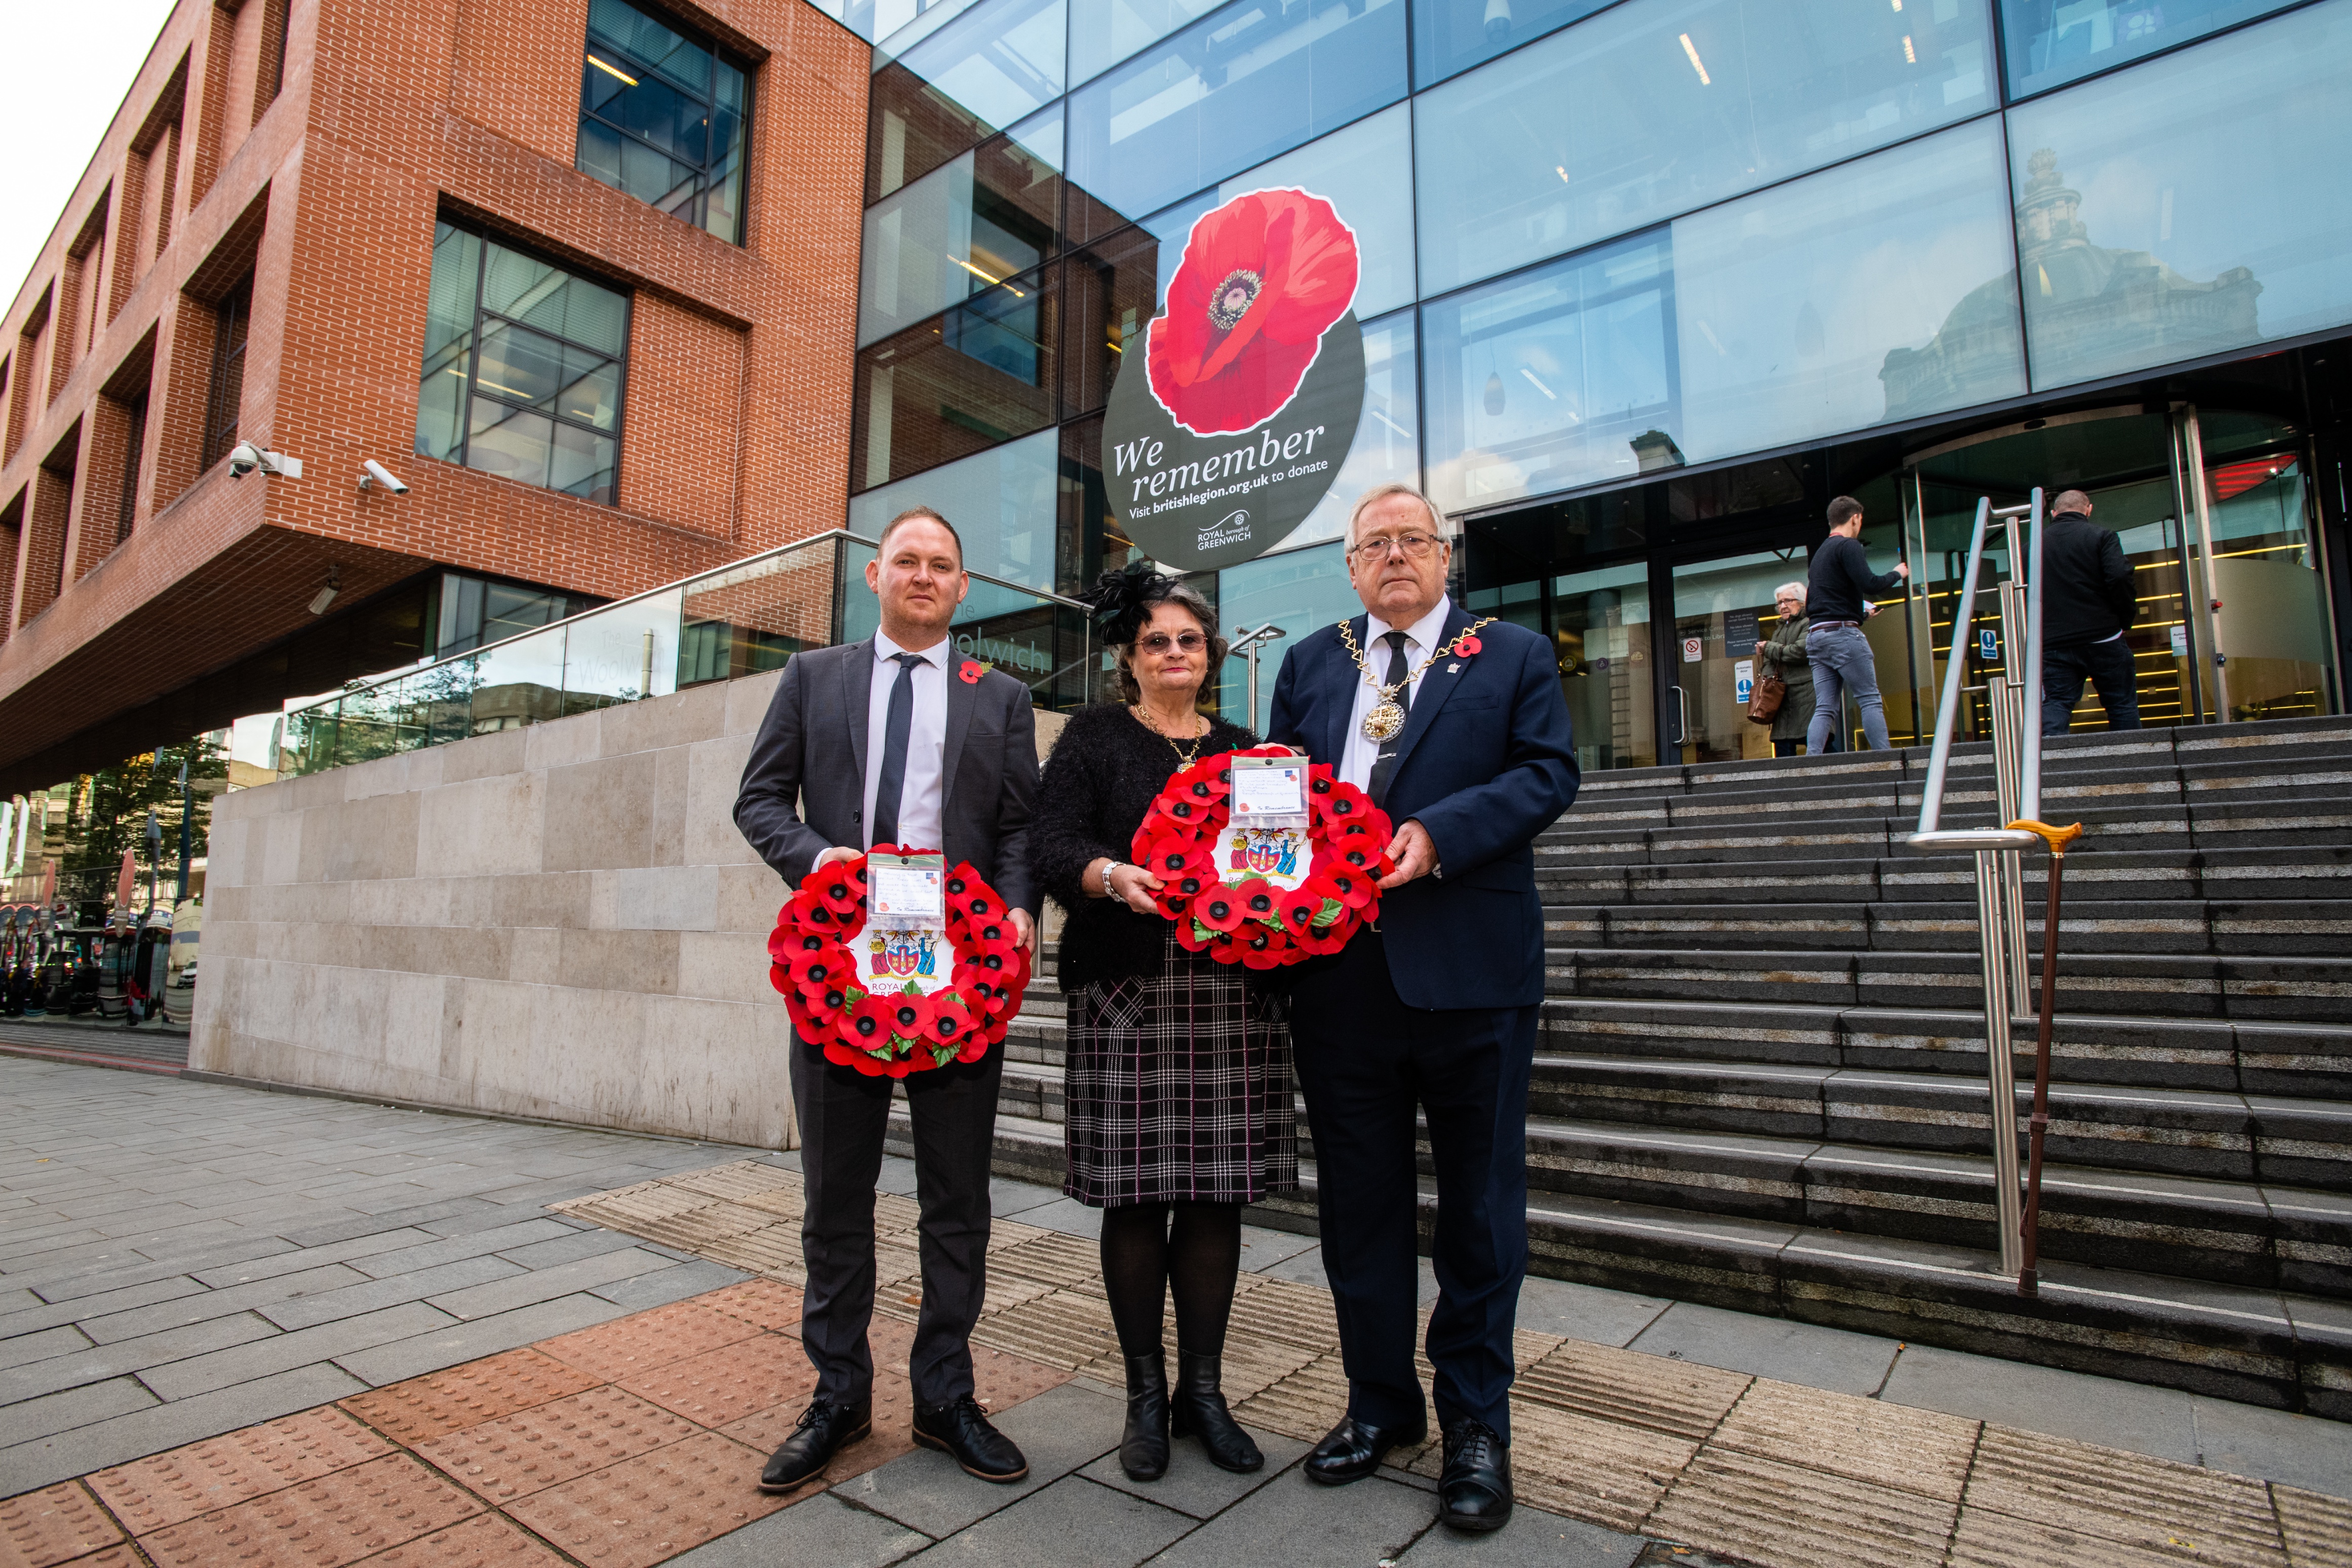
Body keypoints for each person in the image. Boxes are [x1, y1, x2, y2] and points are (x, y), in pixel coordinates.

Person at [1266, 483, 1578, 1534]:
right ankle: (1380, 1407)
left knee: (1482, 1215)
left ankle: (1477, 1426)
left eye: (1412, 541)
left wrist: (1440, 833)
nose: (1393, 556)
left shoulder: (1516, 655)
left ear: (1446, 559)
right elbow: (1274, 802)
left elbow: (1550, 774)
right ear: (1350, 568)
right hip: (1339, 983)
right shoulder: (1310, 663)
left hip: (1473, 975)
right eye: (1373, 544)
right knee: (1360, 1213)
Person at [734, 506, 1042, 1493]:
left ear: (962, 588)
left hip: (959, 982)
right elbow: (759, 800)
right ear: (875, 576)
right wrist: (823, 861)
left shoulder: (999, 697)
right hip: (841, 973)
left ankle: (946, 1395)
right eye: (905, 559)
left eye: (941, 565)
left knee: (958, 1201)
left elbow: (1019, 830)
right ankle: (840, 1392)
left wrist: (1023, 908)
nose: (922, 575)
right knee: (836, 1196)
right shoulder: (812, 679)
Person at [1030, 563, 1296, 1484]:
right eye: (1155, 641)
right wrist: (1110, 876)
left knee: (1216, 1194)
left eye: (1188, 639)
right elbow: (1050, 840)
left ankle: (1204, 1393)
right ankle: (1144, 1395)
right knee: (1137, 1195)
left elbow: (1283, 856)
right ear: (1126, 657)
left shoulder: (1246, 747)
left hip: (1231, 992)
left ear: (1210, 654)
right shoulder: (1095, 736)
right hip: (1127, 988)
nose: (1173, 652)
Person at [1805, 496, 1910, 754]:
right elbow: (1871, 584)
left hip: (1817, 637)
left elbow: (1821, 600)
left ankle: (1809, 763)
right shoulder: (1849, 546)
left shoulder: (1820, 554)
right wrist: (1899, 573)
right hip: (1842, 634)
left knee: (1825, 707)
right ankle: (1886, 760)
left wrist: (1859, 615)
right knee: (1870, 699)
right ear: (1855, 518)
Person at [2039, 489, 2140, 735]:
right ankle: (2132, 764)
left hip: (2055, 642)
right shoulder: (2102, 536)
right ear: (2088, 509)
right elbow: (2119, 576)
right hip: (2103, 635)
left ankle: (2047, 765)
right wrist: (2125, 619)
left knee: (2056, 703)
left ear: (2054, 513)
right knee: (2121, 704)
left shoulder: (2032, 546)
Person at [1755, 581, 1818, 758]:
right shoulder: (1780, 627)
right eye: (1779, 603)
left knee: (1816, 743)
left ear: (1802, 601)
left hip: (1806, 693)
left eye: (1788, 601)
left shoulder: (1810, 622)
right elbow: (1771, 661)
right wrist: (1766, 685)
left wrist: (1768, 647)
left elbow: (1800, 651)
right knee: (1783, 748)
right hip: (1781, 696)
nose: (1783, 606)